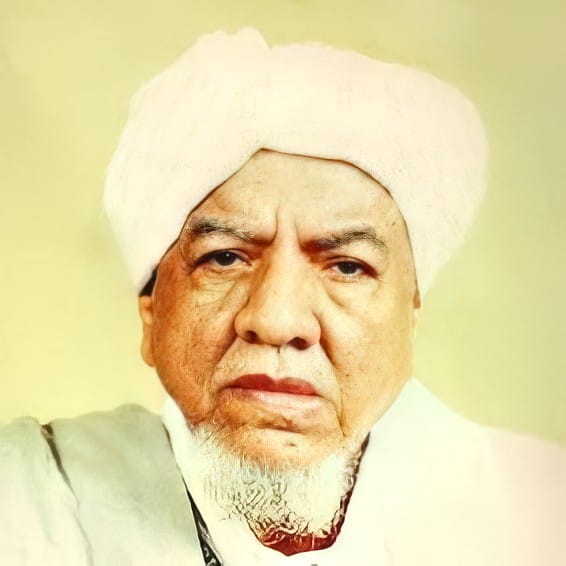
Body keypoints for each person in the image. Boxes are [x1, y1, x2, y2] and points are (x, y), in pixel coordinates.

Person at [1, 28, 564, 566]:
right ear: (151, 312)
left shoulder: (537, 512)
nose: (276, 319)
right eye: (225, 258)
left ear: (410, 317)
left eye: (347, 267)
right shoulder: (34, 499)